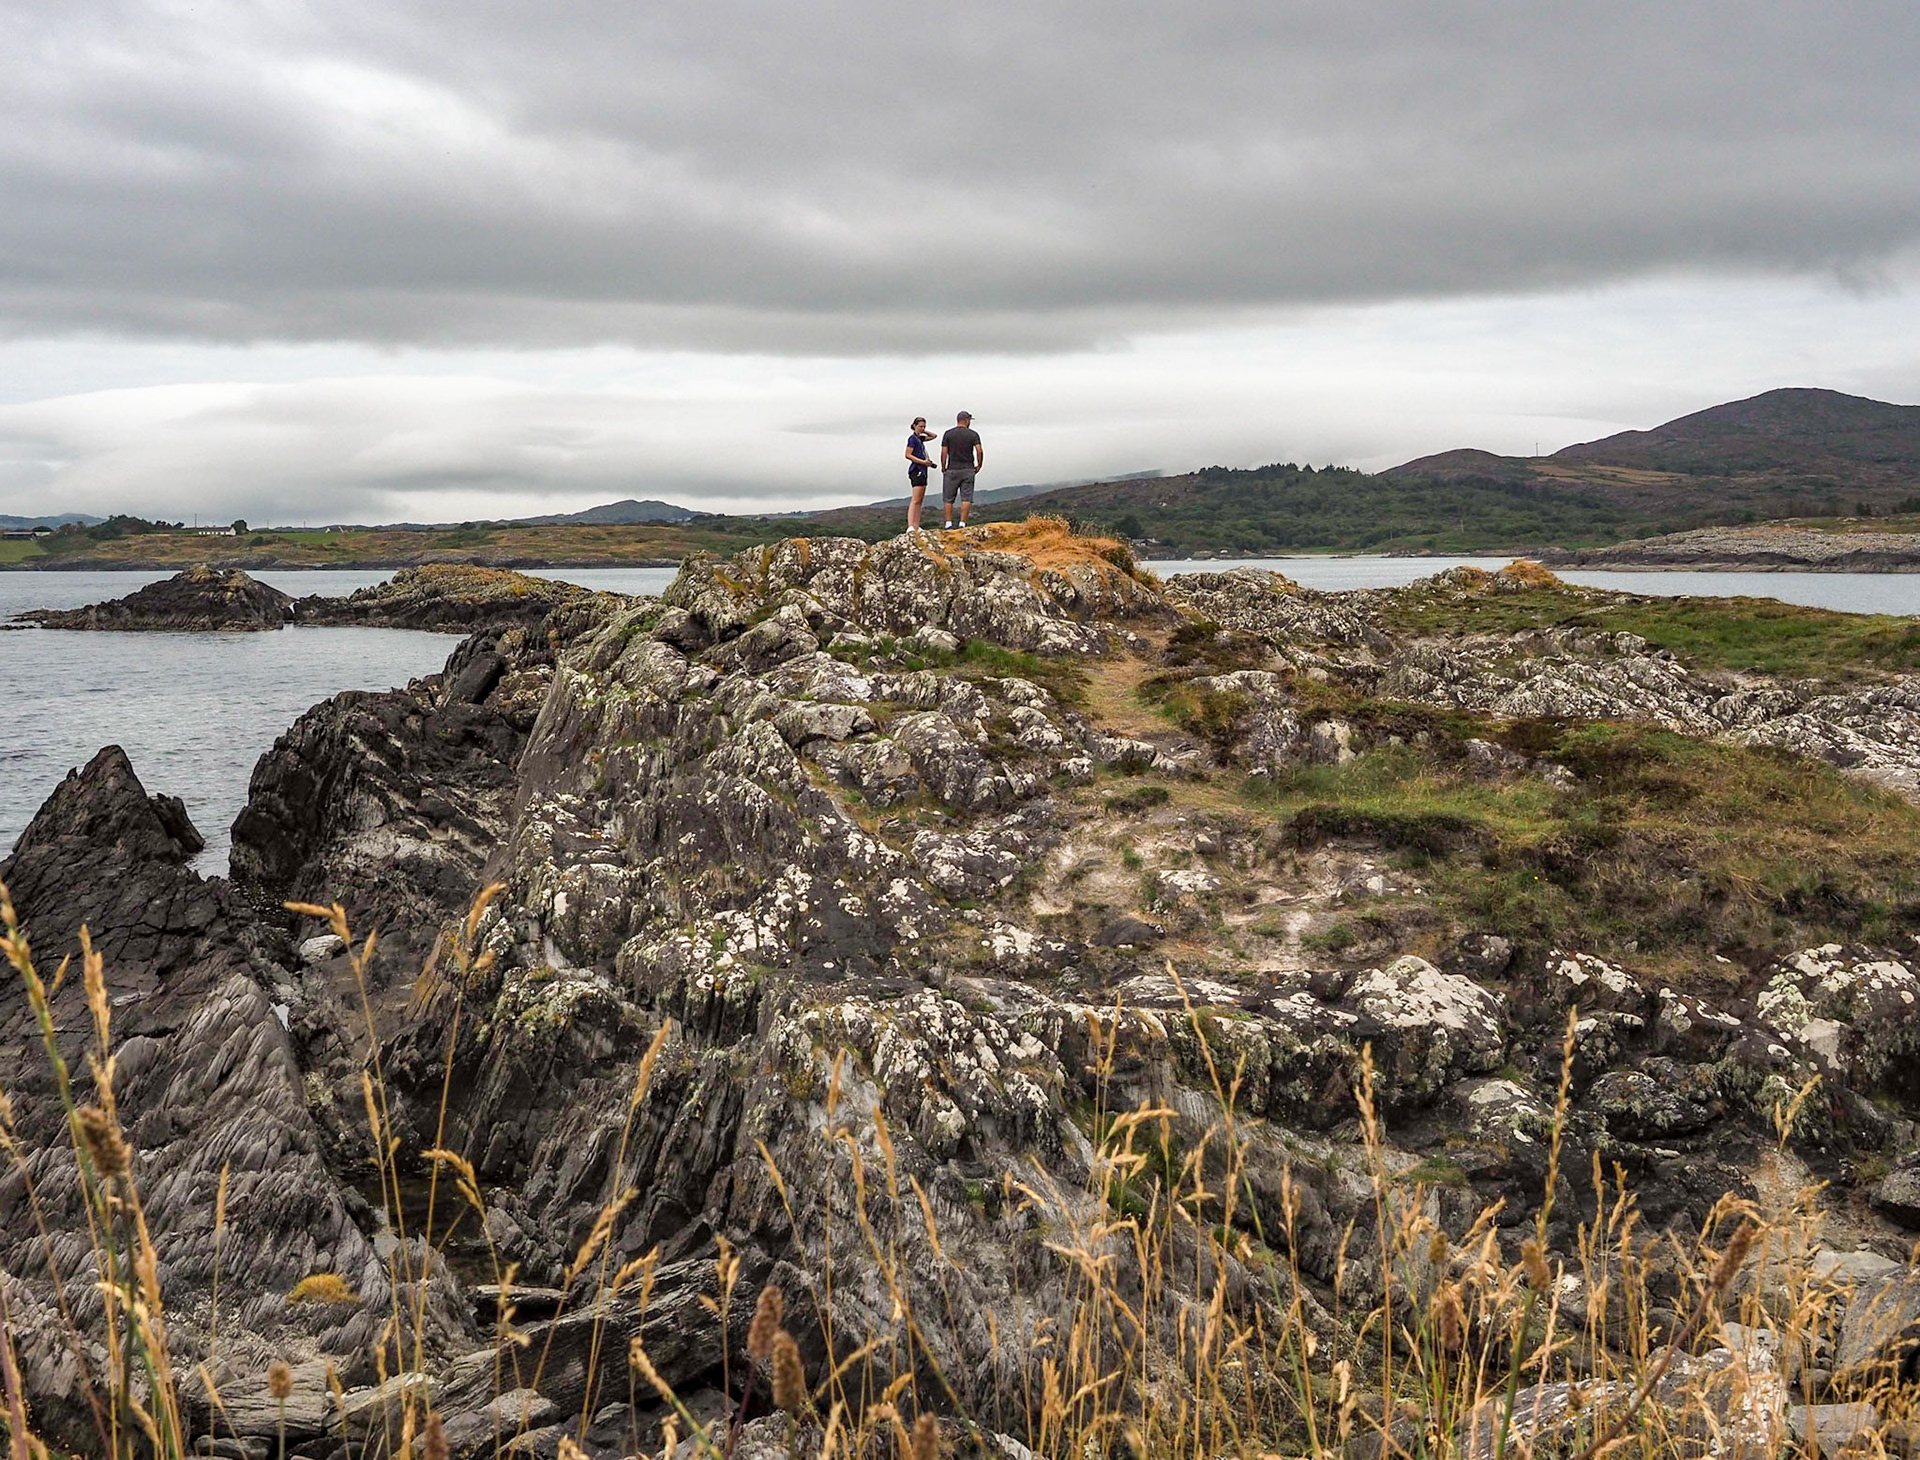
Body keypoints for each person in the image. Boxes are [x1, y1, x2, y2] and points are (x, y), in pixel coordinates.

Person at [939, 411, 983, 529]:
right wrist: (979, 465)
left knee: (948, 498)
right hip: (968, 468)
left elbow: (944, 452)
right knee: (966, 497)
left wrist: (943, 467)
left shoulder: (948, 434)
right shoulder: (973, 434)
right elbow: (979, 450)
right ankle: (962, 523)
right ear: (966, 420)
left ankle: (948, 524)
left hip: (952, 468)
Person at [904, 417, 937, 529]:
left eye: (924, 426)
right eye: (920, 426)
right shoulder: (912, 439)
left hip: (923, 470)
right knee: (915, 499)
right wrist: (923, 462)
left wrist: (923, 431)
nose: (922, 428)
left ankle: (916, 525)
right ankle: (910, 525)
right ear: (914, 425)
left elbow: (934, 436)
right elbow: (908, 454)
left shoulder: (920, 438)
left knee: (920, 500)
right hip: (916, 469)